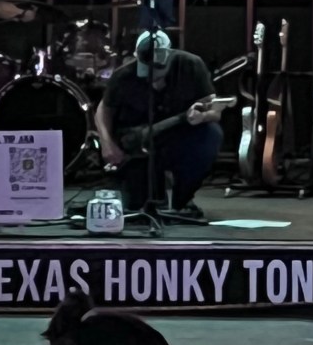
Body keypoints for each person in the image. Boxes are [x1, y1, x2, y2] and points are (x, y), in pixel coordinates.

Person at [94, 30, 223, 214]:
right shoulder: (123, 75)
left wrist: (202, 116)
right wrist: (107, 144)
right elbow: (104, 110)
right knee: (138, 205)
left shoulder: (192, 65)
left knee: (210, 134)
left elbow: (214, 110)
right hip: (137, 143)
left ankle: (183, 199)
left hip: (179, 135)